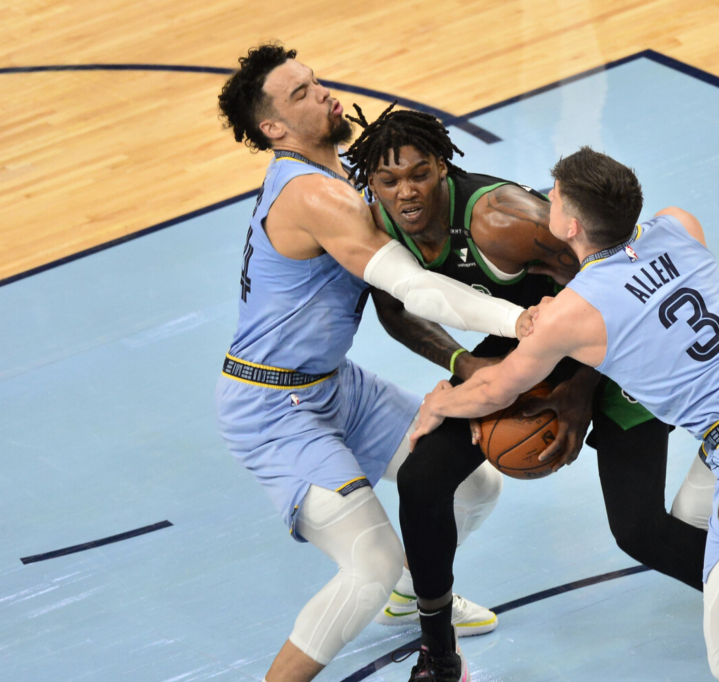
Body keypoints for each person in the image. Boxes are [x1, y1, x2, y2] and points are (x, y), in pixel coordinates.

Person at [342, 110, 719, 680]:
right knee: (429, 477)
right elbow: (409, 315)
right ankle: (437, 651)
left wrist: (550, 395)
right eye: (389, 179)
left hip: (691, 402)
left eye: (419, 173)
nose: (406, 190)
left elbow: (536, 358)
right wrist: (465, 363)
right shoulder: (676, 225)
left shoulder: (517, 234)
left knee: (663, 558)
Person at [213, 45, 532, 682]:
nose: (324, 93)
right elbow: (415, 289)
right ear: (274, 128)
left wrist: (461, 357)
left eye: (315, 81)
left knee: (474, 484)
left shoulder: (349, 176)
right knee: (370, 564)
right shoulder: (312, 196)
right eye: (301, 94)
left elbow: (395, 309)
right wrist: (519, 323)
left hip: (336, 385)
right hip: (274, 408)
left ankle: (412, 596)